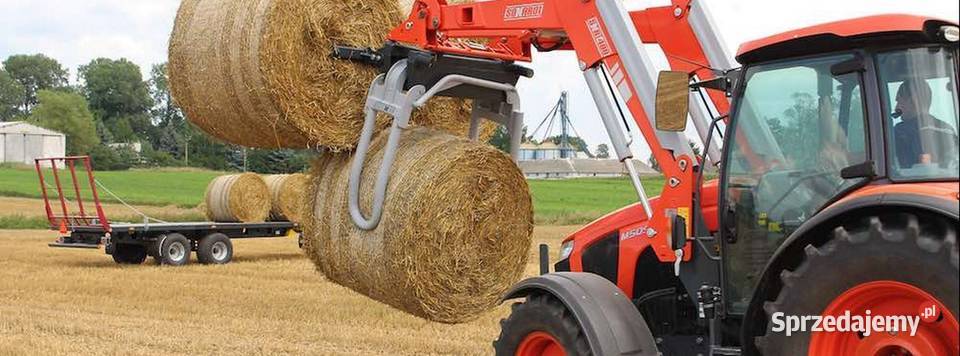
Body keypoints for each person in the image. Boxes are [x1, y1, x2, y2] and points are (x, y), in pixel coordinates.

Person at [893, 79, 958, 168]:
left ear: (913, 101)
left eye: (899, 101)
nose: (896, 107)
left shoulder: (901, 131)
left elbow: (924, 167)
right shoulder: (949, 130)